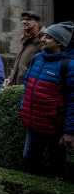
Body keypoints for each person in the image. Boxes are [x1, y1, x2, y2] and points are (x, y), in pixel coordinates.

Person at [20, 22, 74, 176]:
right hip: (32, 124)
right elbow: (27, 85)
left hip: (53, 128)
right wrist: (23, 105)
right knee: (29, 162)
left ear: (59, 42)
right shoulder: (37, 58)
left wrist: (70, 131)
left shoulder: (68, 66)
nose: (42, 39)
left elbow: (72, 101)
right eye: (43, 36)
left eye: (48, 37)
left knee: (55, 168)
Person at [6, 11, 42, 86]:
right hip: (17, 87)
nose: (25, 28)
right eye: (24, 23)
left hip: (29, 87)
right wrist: (11, 78)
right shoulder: (25, 41)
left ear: (37, 24)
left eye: (28, 23)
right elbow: (19, 65)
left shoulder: (42, 42)